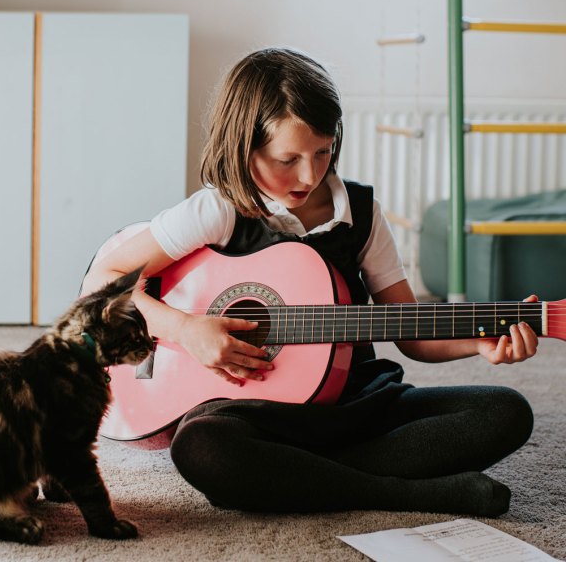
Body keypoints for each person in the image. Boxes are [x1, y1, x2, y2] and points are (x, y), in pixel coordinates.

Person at [81, 47, 538, 516]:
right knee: (201, 446)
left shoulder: (360, 214)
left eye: (323, 152)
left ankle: (301, 476)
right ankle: (408, 493)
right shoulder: (218, 209)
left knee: (505, 411)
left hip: (354, 402)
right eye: (288, 158)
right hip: (255, 415)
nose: (309, 174)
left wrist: (477, 343)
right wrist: (183, 330)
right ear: (244, 147)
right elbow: (105, 280)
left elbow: (410, 333)